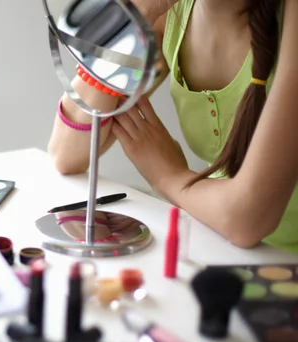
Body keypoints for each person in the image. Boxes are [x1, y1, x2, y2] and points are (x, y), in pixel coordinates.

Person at [47, 0, 298, 256]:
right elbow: (67, 154)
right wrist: (134, 16)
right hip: (221, 247)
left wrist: (168, 177)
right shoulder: (172, 13)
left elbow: (247, 220)